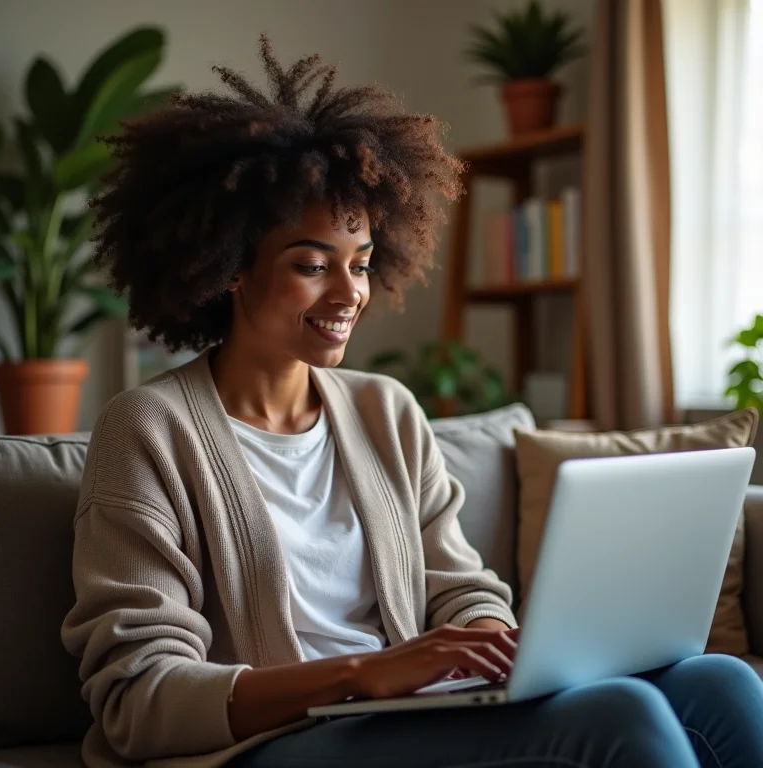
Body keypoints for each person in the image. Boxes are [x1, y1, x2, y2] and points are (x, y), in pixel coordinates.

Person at [62, 37, 763, 768]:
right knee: (618, 716)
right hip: (271, 743)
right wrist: (364, 674)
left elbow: (459, 587)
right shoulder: (149, 430)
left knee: (717, 680)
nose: (349, 295)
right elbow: (136, 699)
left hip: (406, 715)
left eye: (361, 265)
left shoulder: (384, 412)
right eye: (311, 265)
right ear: (231, 267)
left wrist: (496, 645)